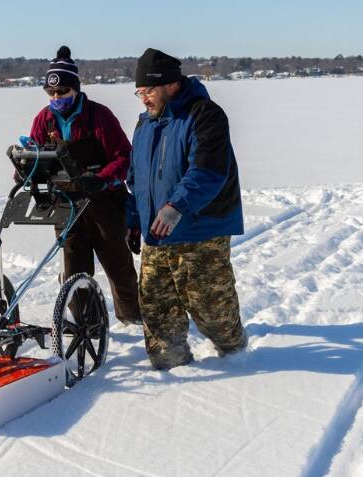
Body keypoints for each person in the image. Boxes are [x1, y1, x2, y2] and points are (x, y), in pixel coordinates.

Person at [126, 48, 248, 369]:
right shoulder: (144, 125)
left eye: (148, 90)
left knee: (212, 310)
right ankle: (171, 367)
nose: (143, 98)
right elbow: (136, 180)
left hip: (201, 228)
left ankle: (238, 356)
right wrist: (132, 220)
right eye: (139, 91)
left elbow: (208, 171)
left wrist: (175, 206)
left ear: (171, 85)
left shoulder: (205, 115)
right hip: (157, 233)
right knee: (156, 307)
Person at [28, 45, 141, 326]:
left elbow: (123, 157)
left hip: (104, 203)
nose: (57, 98)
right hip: (66, 204)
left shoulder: (99, 116)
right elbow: (35, 155)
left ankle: (134, 318)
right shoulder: (44, 119)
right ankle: (87, 326)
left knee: (118, 267)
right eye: (52, 93)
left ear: (75, 90)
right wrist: (26, 173)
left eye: (62, 93)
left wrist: (102, 179)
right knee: (74, 270)